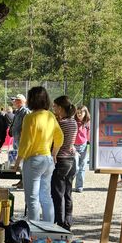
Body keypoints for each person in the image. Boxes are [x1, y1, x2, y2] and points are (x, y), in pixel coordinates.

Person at [13, 87, 63, 223]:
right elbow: (60, 137)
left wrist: (17, 162)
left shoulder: (30, 118)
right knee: (46, 197)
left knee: (32, 198)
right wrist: (54, 154)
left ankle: (33, 229)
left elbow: (26, 142)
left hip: (33, 160)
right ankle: (49, 227)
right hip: (47, 159)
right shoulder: (50, 116)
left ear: (31, 100)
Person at [51, 96, 77, 231]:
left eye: (55, 106)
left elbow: (54, 141)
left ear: (60, 108)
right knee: (68, 192)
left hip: (61, 160)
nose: (53, 108)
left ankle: (59, 222)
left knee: (58, 193)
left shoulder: (61, 123)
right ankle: (67, 221)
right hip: (71, 160)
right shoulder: (73, 122)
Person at [9, 94, 30, 188]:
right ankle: (22, 180)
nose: (14, 102)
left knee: (23, 162)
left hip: (22, 140)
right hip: (17, 139)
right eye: (14, 100)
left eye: (16, 100)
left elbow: (27, 126)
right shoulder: (18, 111)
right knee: (20, 162)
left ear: (21, 102)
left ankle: (24, 181)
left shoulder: (25, 111)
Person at [74, 105, 90, 192]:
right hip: (74, 146)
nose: (79, 114)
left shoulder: (88, 123)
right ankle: (68, 185)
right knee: (74, 167)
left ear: (85, 113)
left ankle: (79, 186)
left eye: (81, 112)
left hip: (83, 146)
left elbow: (89, 135)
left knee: (82, 166)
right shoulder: (74, 122)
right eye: (78, 113)